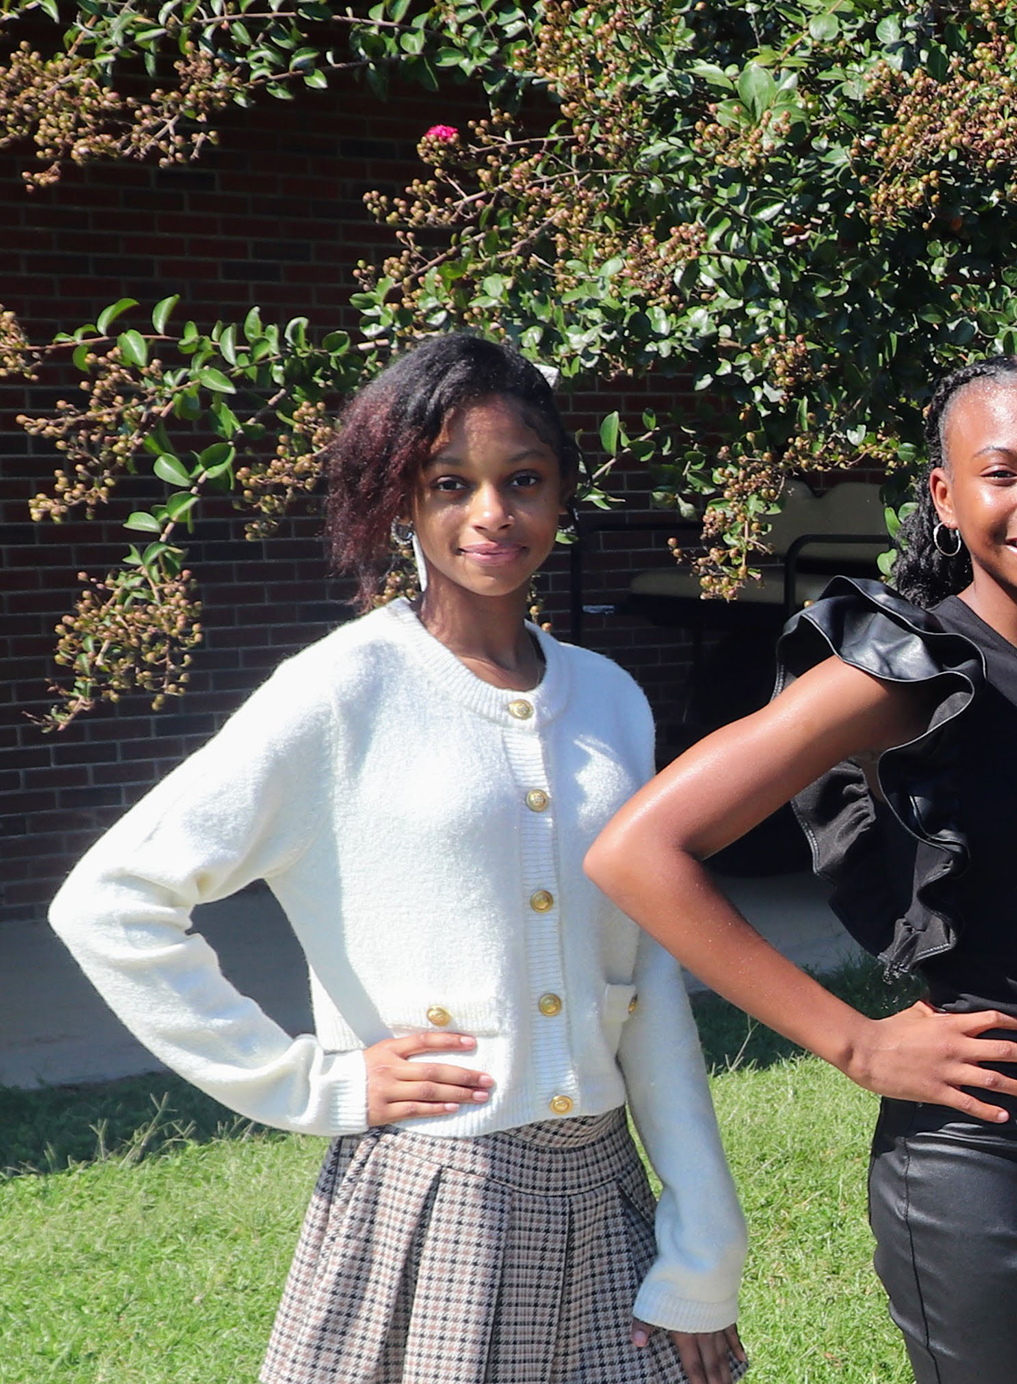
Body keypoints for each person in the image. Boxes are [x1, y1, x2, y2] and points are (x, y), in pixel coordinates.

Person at [50, 331, 747, 1383]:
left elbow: (647, 978)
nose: (491, 514)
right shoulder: (342, 691)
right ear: (400, 500)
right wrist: (310, 1082)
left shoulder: (611, 697)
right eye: (449, 482)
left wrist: (703, 1247)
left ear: (562, 492)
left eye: (523, 480)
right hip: (435, 1192)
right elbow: (112, 901)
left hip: (606, 1192)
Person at [587, 353, 1017, 1384]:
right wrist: (855, 1044)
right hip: (980, 1173)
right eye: (1003, 471)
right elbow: (637, 849)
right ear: (945, 494)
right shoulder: (909, 672)